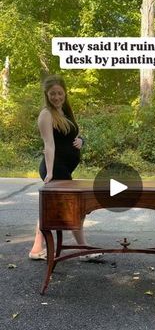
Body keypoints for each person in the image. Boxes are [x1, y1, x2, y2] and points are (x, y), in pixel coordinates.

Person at [29, 75, 86, 259]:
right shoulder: (46, 114)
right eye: (52, 94)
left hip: (64, 168)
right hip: (55, 169)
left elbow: (70, 136)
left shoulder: (64, 111)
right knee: (75, 207)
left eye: (59, 93)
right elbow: (49, 145)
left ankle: (37, 250)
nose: (56, 97)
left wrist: (81, 141)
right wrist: (51, 172)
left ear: (65, 93)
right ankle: (84, 248)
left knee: (51, 208)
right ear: (47, 94)